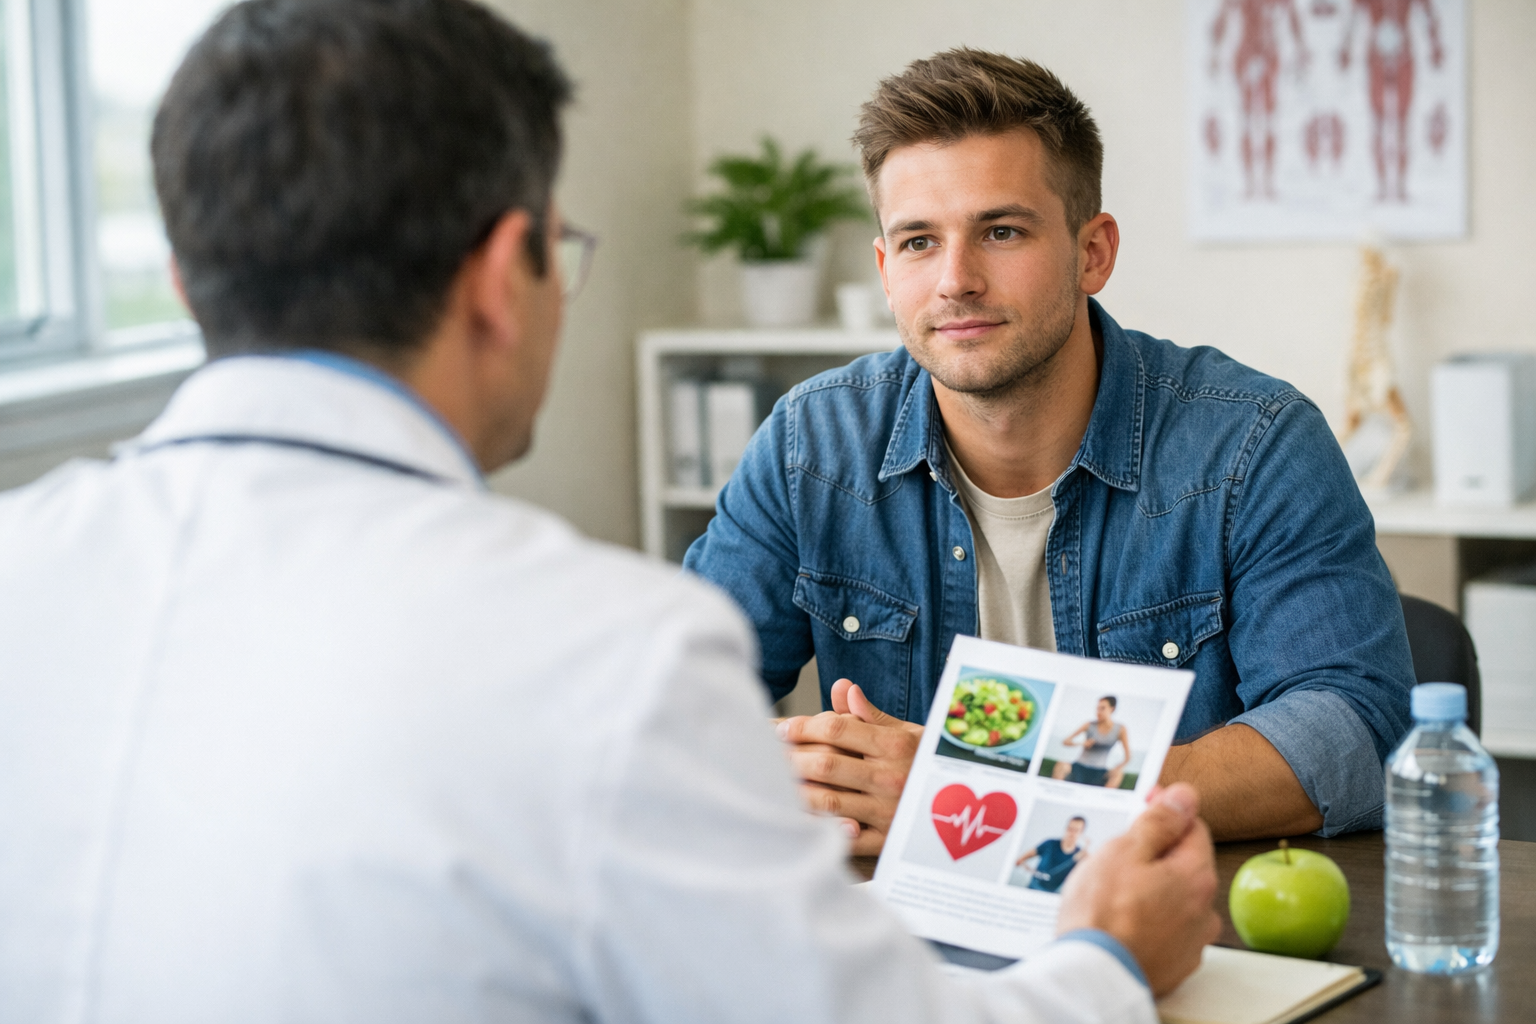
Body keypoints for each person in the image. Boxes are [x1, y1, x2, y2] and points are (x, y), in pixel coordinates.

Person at [0, 2, 1222, 1021]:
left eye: (1000, 231)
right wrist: (1108, 957)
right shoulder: (612, 653)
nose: (953, 276)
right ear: (502, 275)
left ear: (186, 279)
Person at [685, 48, 1415, 853]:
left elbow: (1354, 732)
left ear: (1093, 251)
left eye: (1001, 231)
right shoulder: (809, 447)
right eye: (920, 242)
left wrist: (970, 783)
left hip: (1170, 934)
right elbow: (676, 703)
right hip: (901, 941)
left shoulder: (1254, 444)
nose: (955, 279)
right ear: (887, 270)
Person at [1054, 697, 1131, 788]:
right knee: (1061, 765)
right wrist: (1082, 743)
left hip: (1100, 771)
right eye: (1097, 708)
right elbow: (1066, 741)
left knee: (1118, 774)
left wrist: (1118, 766)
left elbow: (1128, 756)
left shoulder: (1120, 729)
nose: (1098, 712)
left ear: (1112, 709)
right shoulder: (1089, 725)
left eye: (1103, 708)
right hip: (1079, 766)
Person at [1015, 817, 1091, 893]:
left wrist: (1088, 861)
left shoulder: (1081, 855)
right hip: (1032, 889)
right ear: (1066, 828)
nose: (1072, 833)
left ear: (1082, 833)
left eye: (1076, 830)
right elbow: (1020, 859)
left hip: (1052, 894)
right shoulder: (1049, 844)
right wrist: (1021, 863)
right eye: (1070, 829)